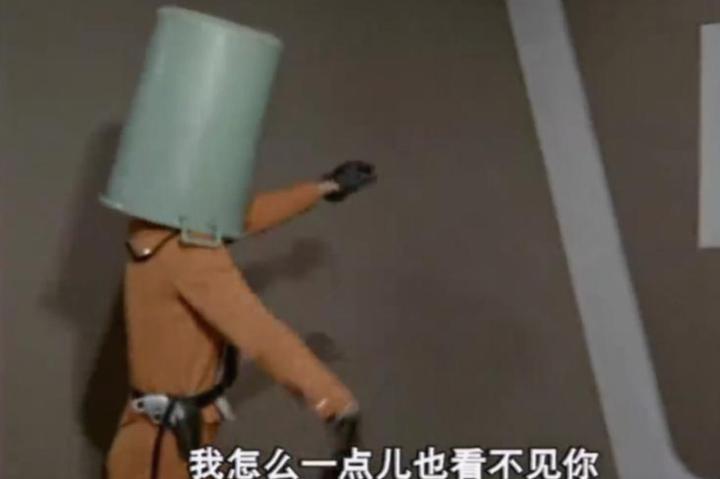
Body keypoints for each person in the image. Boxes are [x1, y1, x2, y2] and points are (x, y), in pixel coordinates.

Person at [99, 7, 377, 478]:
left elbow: (233, 216)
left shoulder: (153, 226)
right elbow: (261, 334)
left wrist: (322, 188)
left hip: (162, 439)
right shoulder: (191, 255)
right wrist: (336, 405)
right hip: (163, 452)